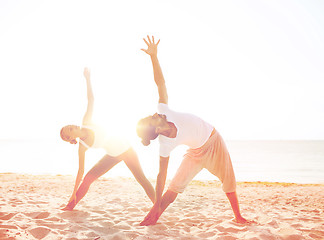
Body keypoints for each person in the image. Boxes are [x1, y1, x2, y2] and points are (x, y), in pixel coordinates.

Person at [136, 36, 249, 225]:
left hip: (213, 141)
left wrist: (153, 57)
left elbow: (160, 83)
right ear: (155, 128)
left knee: (228, 180)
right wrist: (156, 203)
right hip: (195, 153)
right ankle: (152, 217)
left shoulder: (164, 110)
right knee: (173, 188)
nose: (156, 113)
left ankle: (238, 216)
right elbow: (161, 176)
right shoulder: (165, 145)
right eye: (153, 117)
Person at [60, 67, 155, 210]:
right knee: (87, 178)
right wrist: (73, 193)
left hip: (126, 149)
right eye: (70, 129)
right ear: (70, 137)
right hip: (112, 156)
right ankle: (70, 205)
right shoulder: (82, 146)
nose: (73, 125)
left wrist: (87, 79)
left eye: (70, 125)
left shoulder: (86, 122)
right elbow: (80, 171)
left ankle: (158, 206)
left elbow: (91, 99)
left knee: (141, 179)